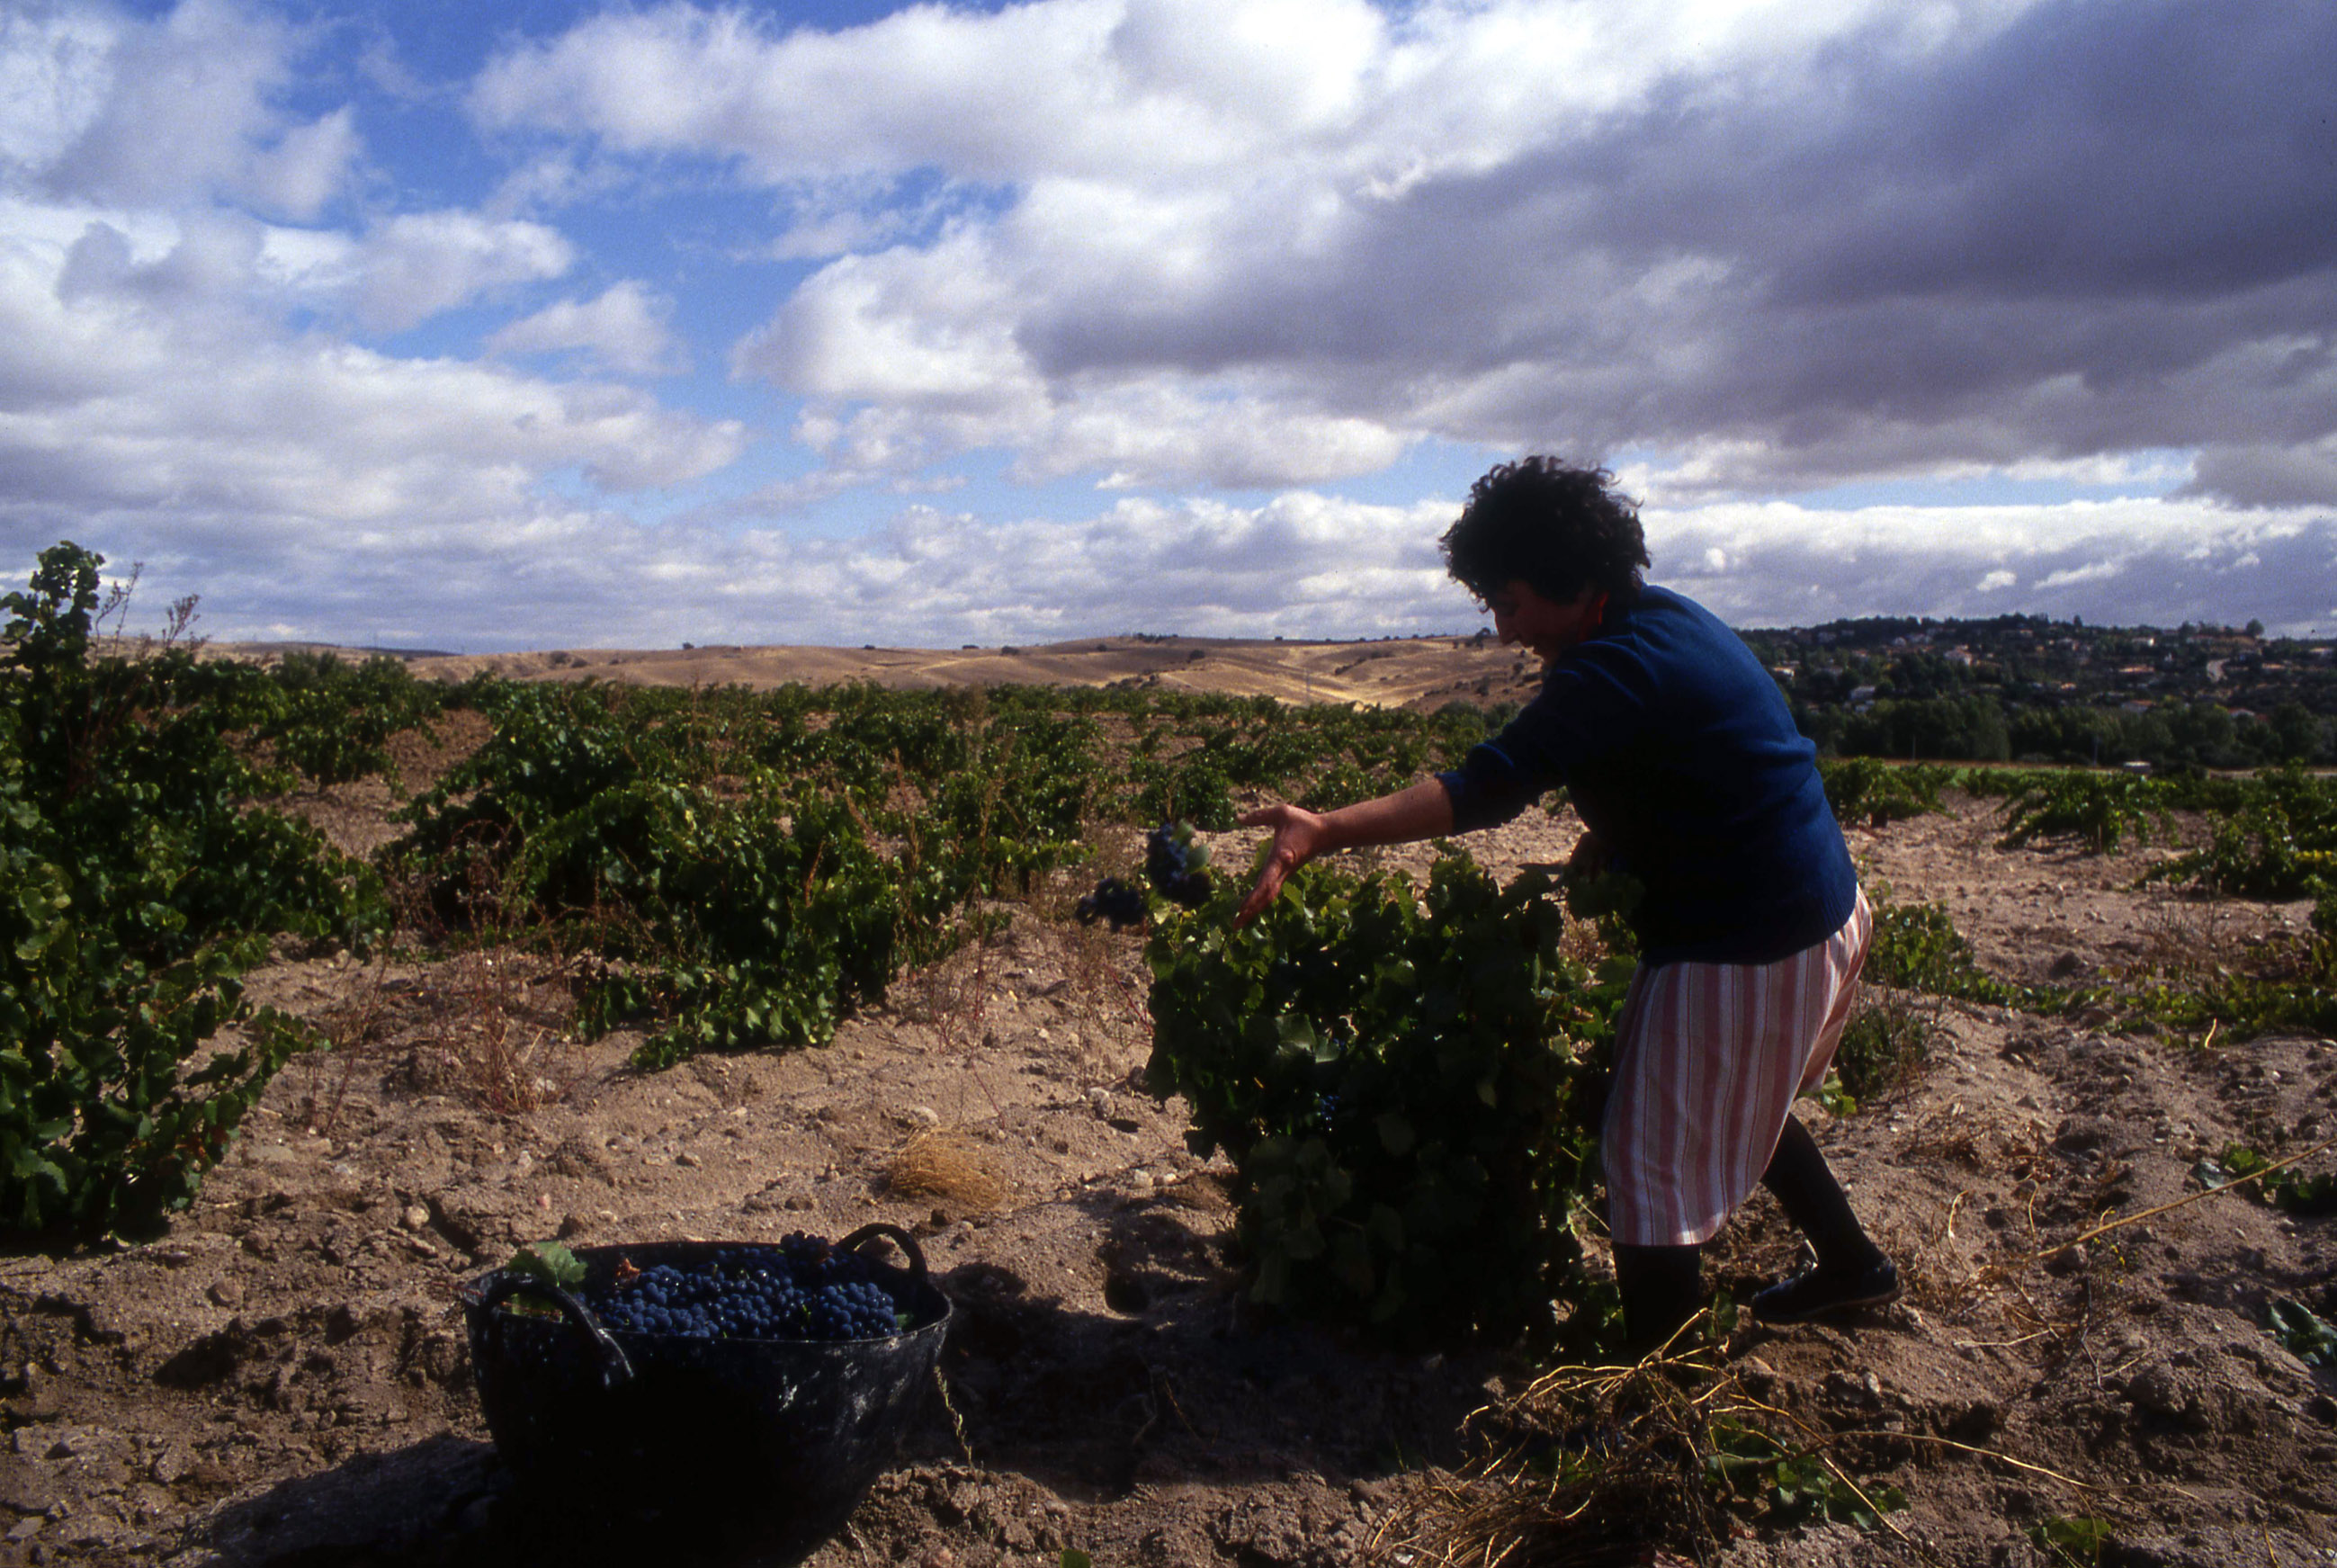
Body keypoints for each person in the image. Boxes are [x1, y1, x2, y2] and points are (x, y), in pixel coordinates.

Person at [1236, 456, 1896, 1360]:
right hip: (1816, 908)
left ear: (1572, 581)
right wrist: (1622, 837)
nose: (1505, 629)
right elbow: (1699, 764)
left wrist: (1324, 830)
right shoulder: (1666, 622)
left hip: (1749, 943)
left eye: (1510, 604)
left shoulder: (1612, 669)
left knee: (1647, 1167)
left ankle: (1662, 1395)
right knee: (1742, 1094)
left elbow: (1486, 787)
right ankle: (1854, 1267)